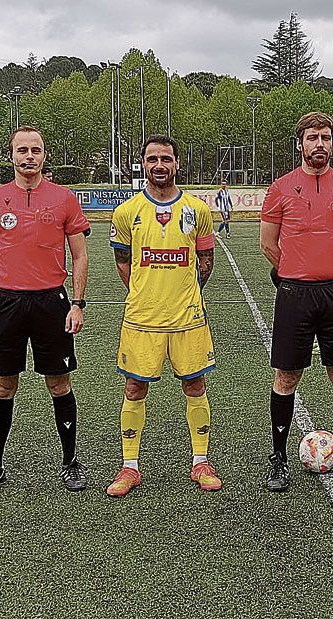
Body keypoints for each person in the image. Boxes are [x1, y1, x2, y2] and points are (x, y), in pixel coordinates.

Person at [0, 127, 92, 495]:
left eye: (35, 150)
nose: (29, 156)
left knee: (58, 382)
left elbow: (80, 255)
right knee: (3, 386)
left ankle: (69, 463)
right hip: (5, 302)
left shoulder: (65, 199)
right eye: (22, 150)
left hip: (52, 301)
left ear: (44, 156)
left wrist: (78, 303)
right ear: (12, 155)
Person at [261, 111, 333, 491]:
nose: (319, 144)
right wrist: (293, 270)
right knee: (286, 375)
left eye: (325, 137)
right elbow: (267, 243)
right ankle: (278, 458)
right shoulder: (280, 188)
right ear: (300, 144)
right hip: (295, 294)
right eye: (312, 138)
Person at [108, 135, 221, 497]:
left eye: (166, 159)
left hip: (188, 317)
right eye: (152, 158)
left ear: (177, 163)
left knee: (195, 386)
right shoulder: (127, 212)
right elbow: (123, 262)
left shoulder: (197, 210)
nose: (159, 165)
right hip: (142, 318)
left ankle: (201, 462)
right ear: (142, 163)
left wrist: (186, 292)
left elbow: (206, 262)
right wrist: (145, 292)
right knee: (134, 387)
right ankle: (129, 467)